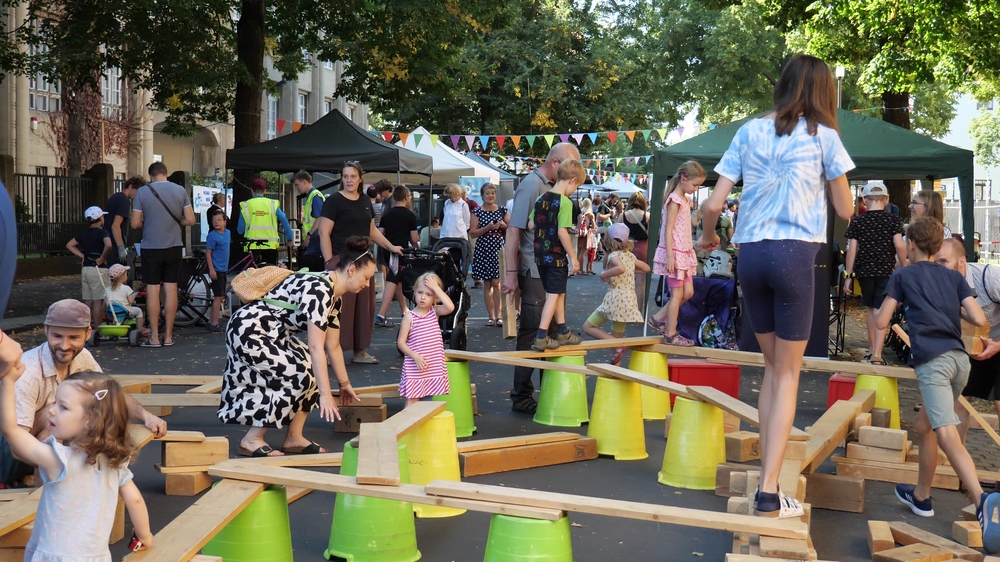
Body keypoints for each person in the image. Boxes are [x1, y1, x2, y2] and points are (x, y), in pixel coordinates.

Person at [697, 54, 855, 518]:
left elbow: (713, 202)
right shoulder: (824, 137)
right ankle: (769, 491)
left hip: (752, 256)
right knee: (788, 373)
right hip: (794, 255)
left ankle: (766, 483)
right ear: (824, 92)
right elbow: (846, 209)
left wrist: (709, 237)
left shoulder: (749, 131)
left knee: (770, 368)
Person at [874, 217, 1000, 552]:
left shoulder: (902, 274)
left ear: (911, 246)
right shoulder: (952, 277)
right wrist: (946, 314)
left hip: (935, 363)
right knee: (924, 425)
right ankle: (921, 497)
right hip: (961, 362)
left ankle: (982, 499)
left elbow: (881, 320)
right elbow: (979, 319)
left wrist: (903, 309)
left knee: (945, 431)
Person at [220, 237, 374, 456]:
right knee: (294, 374)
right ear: (351, 270)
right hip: (250, 330)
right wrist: (325, 394)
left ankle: (293, 437)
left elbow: (333, 345)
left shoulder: (334, 296)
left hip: (273, 332)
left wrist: (344, 383)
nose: (367, 284)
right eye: (366, 277)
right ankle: (251, 439)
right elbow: (315, 347)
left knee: (309, 369)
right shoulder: (320, 290)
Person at [1, 299, 167, 487]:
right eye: (57, 336)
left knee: (94, 405)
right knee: (56, 412)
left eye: (73, 338)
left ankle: (47, 473)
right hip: (7, 454)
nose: (64, 346)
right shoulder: (28, 371)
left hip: (39, 446)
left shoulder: (82, 357)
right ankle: (44, 482)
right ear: (46, 330)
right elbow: (15, 445)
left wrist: (147, 415)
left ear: (88, 333)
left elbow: (108, 392)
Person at [0, 369, 154, 558]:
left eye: (63, 407)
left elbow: (11, 431)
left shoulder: (59, 460)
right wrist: (144, 535)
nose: (51, 410)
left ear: (90, 421)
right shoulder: (114, 463)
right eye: (55, 403)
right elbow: (135, 500)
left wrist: (7, 382)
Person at [502, 143, 581, 413]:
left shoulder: (550, 190)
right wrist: (511, 273)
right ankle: (521, 395)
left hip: (547, 266)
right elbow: (514, 230)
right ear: (557, 164)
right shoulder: (532, 185)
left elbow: (536, 224)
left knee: (549, 328)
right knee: (533, 329)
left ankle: (548, 390)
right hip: (534, 269)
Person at [316, 162, 403, 364]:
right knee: (339, 309)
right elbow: (324, 232)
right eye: (345, 176)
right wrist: (330, 261)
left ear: (360, 178)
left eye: (352, 176)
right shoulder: (334, 201)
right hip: (341, 261)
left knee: (364, 308)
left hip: (363, 263)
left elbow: (371, 231)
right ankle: (330, 352)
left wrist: (391, 247)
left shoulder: (365, 200)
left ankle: (359, 352)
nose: (349, 180)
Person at [936, 238, 1000, 438]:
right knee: (958, 400)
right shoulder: (938, 286)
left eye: (944, 261)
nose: (938, 269)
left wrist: (998, 345)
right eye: (934, 262)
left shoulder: (990, 277)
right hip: (974, 348)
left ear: (961, 262)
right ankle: (954, 460)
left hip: (998, 341)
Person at [131, 161, 196, 348]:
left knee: (153, 290)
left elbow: (135, 224)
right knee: (171, 289)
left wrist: (148, 221)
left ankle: (154, 338)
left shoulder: (143, 192)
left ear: (151, 175)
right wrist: (176, 220)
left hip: (151, 247)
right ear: (165, 173)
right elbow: (190, 220)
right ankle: (168, 336)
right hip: (174, 245)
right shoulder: (180, 191)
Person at [843, 180, 906, 365]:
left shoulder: (857, 221)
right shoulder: (892, 220)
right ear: (886, 200)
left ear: (864, 200)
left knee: (870, 308)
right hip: (886, 270)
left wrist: (848, 276)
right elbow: (900, 246)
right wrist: (903, 267)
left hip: (864, 272)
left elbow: (852, 251)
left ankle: (872, 350)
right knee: (881, 308)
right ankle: (878, 353)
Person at [648, 161, 705, 346]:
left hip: (685, 253)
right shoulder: (675, 200)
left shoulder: (686, 200)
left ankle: (658, 318)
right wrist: (671, 256)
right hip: (675, 253)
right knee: (677, 294)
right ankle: (671, 333)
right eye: (695, 185)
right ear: (683, 178)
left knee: (688, 292)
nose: (696, 189)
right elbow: (668, 229)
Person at [529, 159, 584, 351]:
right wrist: (574, 257)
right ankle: (541, 335)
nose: (574, 190)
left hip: (539, 256)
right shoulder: (565, 202)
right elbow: (562, 232)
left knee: (557, 292)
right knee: (553, 295)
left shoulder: (540, 198)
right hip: (556, 257)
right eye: (576, 186)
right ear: (572, 180)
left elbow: (530, 224)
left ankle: (562, 331)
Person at [582, 223, 650, 366]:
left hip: (616, 298)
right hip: (629, 300)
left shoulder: (614, 255)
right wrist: (631, 271)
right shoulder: (630, 256)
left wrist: (604, 274)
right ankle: (616, 369)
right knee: (617, 336)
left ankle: (617, 346)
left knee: (588, 327)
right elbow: (646, 268)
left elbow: (620, 268)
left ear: (609, 240)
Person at [396, 273, 456, 408]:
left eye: (428, 294)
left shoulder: (434, 312)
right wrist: (415, 356)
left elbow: (450, 307)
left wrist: (437, 289)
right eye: (420, 292)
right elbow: (401, 342)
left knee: (428, 401)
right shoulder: (409, 317)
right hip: (415, 367)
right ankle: (409, 428)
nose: (423, 297)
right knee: (412, 401)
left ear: (435, 297)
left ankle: (423, 428)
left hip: (431, 367)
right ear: (414, 292)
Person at [375, 185, 420, 328]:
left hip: (388, 249)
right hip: (402, 251)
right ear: (407, 198)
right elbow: (414, 238)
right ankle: (381, 315)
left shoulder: (387, 214)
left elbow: (380, 233)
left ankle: (404, 310)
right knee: (393, 280)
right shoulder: (410, 215)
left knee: (397, 280)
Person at [66, 206, 112, 330]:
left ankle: (86, 327)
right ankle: (97, 329)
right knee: (98, 300)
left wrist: (83, 256)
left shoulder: (84, 233)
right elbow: (108, 245)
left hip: (86, 269)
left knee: (88, 300)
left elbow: (70, 245)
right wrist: (102, 258)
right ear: (100, 219)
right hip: (98, 269)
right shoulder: (103, 232)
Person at [470, 183, 509, 327]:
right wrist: (488, 227)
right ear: (482, 195)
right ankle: (490, 316)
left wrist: (504, 226)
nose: (490, 196)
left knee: (497, 283)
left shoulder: (502, 210)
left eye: (493, 193)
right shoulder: (476, 211)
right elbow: (473, 233)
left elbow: (511, 229)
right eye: (488, 193)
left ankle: (499, 315)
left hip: (498, 248)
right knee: (487, 283)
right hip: (484, 248)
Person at [238, 178, 294, 266]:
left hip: (252, 246)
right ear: (265, 191)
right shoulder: (272, 204)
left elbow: (240, 229)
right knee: (269, 275)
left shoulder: (245, 205)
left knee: (253, 275)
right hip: (270, 246)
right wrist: (289, 237)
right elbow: (283, 218)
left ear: (251, 190)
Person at [105, 176, 142, 264]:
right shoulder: (124, 200)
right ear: (130, 186)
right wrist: (121, 247)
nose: (138, 195)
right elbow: (115, 226)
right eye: (138, 191)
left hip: (108, 241)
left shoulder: (115, 197)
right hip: (115, 244)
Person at [205, 212, 232, 332]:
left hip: (224, 268)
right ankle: (215, 323)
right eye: (214, 220)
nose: (216, 222)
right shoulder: (212, 235)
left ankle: (211, 321)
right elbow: (208, 253)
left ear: (225, 222)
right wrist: (211, 269)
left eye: (219, 220)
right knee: (218, 296)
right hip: (217, 269)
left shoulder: (228, 233)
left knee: (219, 295)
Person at [622, 192, 651, 304]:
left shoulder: (623, 215)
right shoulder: (647, 216)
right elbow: (651, 234)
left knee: (624, 281)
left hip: (627, 248)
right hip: (643, 247)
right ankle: (638, 311)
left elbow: (617, 235)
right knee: (640, 283)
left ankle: (625, 308)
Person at [106, 264, 147, 336]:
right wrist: (133, 301)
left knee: (117, 313)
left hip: (111, 311)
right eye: (126, 275)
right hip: (124, 310)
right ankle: (140, 329)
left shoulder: (107, 289)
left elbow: (105, 302)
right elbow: (131, 301)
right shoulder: (126, 288)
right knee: (139, 311)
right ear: (122, 277)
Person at [293, 171, 325, 249]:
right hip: (315, 239)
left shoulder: (315, 197)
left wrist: (309, 236)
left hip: (315, 239)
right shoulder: (311, 196)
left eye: (297, 185)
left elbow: (320, 219)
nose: (296, 188)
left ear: (304, 182)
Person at [576, 198, 598, 275]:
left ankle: (577, 268)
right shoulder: (590, 215)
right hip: (586, 234)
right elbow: (593, 227)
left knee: (578, 251)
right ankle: (581, 269)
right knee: (582, 252)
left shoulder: (581, 212)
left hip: (580, 233)